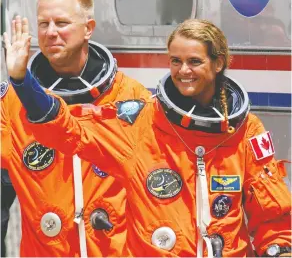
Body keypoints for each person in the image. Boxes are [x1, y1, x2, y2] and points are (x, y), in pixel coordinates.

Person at [4, 17, 292, 257]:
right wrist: (23, 82)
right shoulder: (141, 123)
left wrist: (277, 249)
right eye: (175, 61)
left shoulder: (244, 130)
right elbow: (69, 131)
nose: (183, 71)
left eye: (194, 61)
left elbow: (272, 218)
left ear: (218, 64)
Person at [1, 0, 151, 256]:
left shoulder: (129, 97)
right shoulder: (11, 102)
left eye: (61, 22)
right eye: (43, 23)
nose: (51, 32)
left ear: (88, 28)